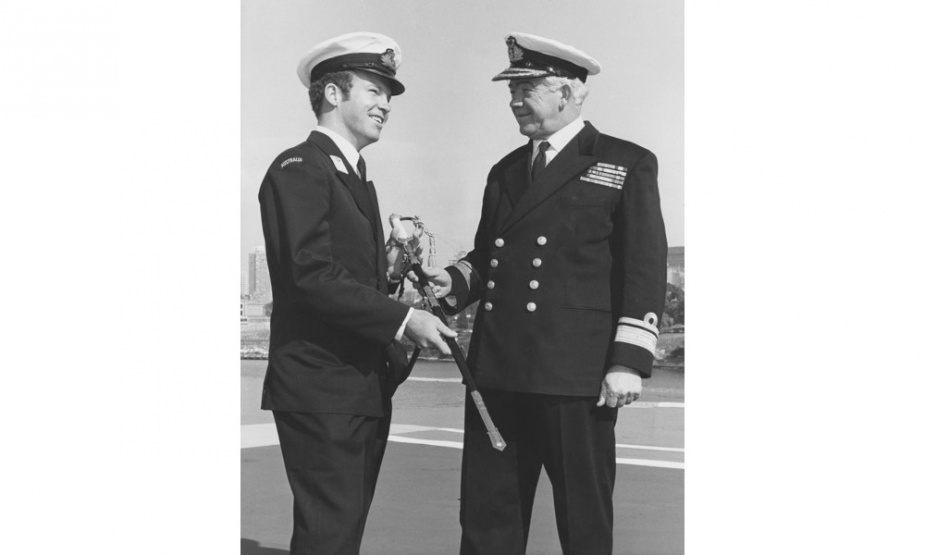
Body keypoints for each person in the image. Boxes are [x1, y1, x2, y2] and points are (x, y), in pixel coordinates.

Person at [423, 33, 668, 554]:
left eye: (527, 87)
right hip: (498, 372)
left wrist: (627, 360)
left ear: (571, 92)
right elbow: (490, 255)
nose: (514, 100)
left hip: (575, 377)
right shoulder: (506, 170)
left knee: (583, 520)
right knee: (489, 519)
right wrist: (453, 282)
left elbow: (643, 267)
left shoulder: (625, 162)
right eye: (511, 90)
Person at [257, 31, 455, 555]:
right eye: (374, 89)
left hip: (355, 386)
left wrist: (388, 269)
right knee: (329, 534)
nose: (386, 104)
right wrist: (403, 318)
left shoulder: (352, 174)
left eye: (388, 94)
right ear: (331, 94)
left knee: (340, 533)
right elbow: (308, 277)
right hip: (322, 386)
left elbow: (340, 277)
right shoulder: (298, 168)